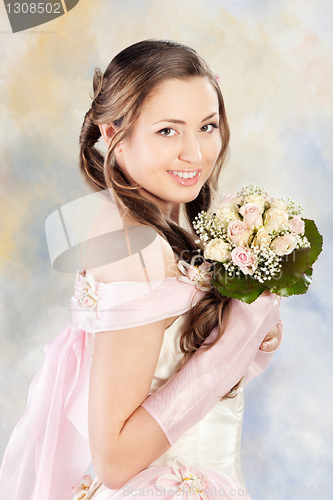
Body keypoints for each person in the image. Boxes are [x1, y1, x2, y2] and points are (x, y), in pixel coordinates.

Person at [0, 40, 282, 500]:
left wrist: (238, 334)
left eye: (207, 126)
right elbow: (114, 459)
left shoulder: (163, 229)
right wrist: (235, 342)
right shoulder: (137, 244)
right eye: (168, 131)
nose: (195, 153)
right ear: (112, 132)